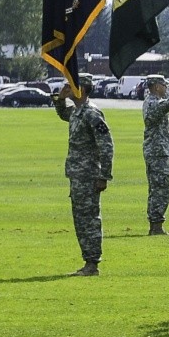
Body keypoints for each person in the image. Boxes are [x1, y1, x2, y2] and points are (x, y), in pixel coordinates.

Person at [54, 75, 112, 276]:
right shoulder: (78, 112)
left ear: (82, 89)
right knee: (80, 219)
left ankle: (92, 263)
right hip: (77, 175)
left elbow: (106, 145)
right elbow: (63, 114)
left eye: (69, 86)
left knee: (89, 219)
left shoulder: (91, 113)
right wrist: (60, 99)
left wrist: (104, 175)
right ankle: (88, 261)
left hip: (89, 176)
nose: (66, 88)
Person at [140, 74, 169, 235]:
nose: (166, 88)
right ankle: (156, 226)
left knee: (157, 188)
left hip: (158, 151)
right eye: (164, 85)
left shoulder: (152, 101)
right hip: (157, 152)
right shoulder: (153, 103)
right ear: (157, 86)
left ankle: (156, 224)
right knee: (160, 188)